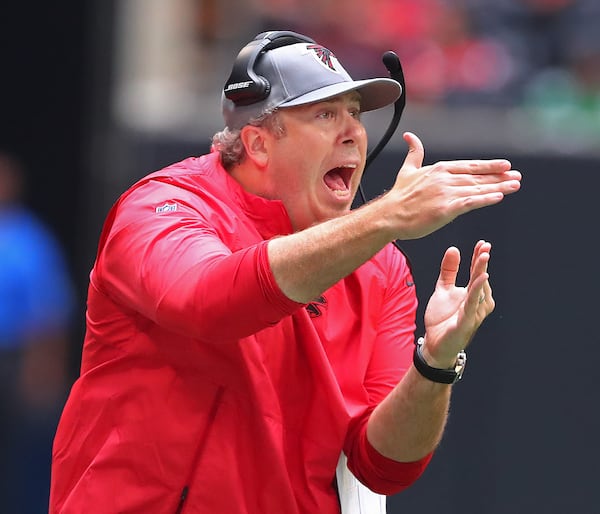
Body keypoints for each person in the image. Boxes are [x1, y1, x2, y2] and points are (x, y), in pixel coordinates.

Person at [49, 30, 521, 513]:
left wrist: (434, 367)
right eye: (325, 114)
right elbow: (207, 301)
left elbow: (384, 466)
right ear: (256, 144)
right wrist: (387, 217)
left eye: (355, 113)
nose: (353, 132)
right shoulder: (163, 206)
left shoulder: (381, 265)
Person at [0, 151, 75, 513]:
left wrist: (43, 372)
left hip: (14, 360)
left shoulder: (28, 239)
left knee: (17, 459)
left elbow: (50, 312)